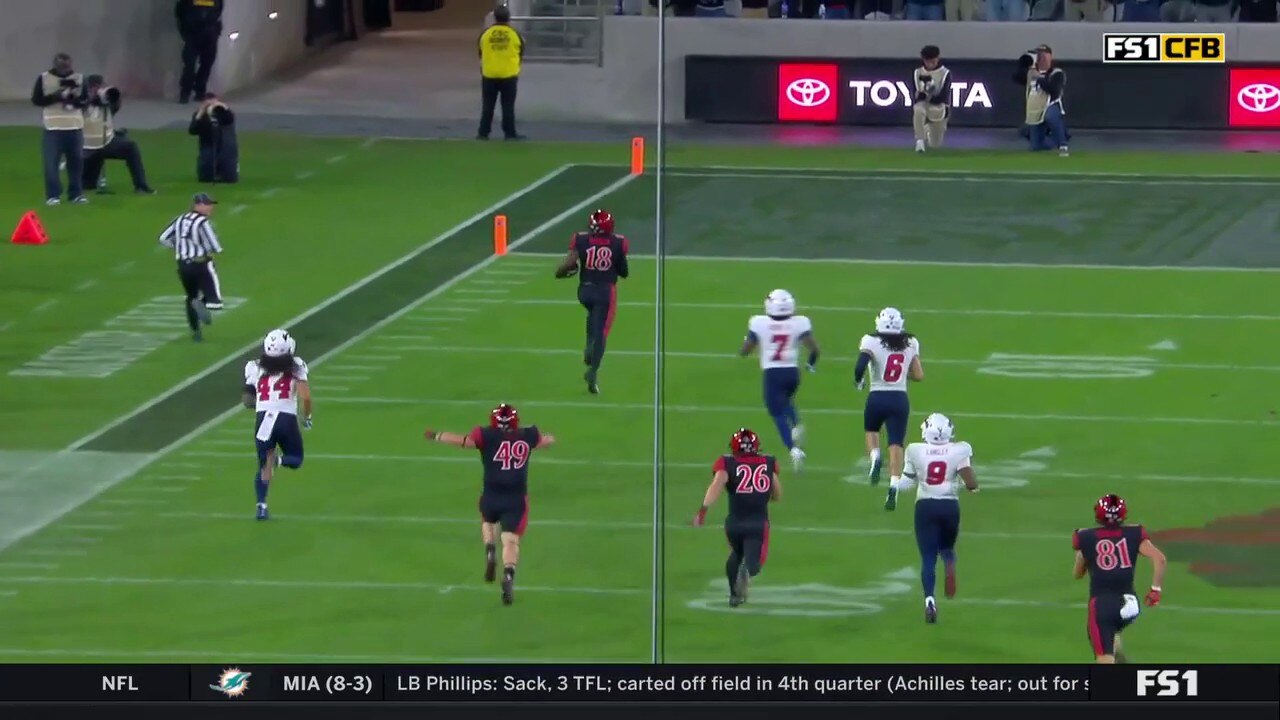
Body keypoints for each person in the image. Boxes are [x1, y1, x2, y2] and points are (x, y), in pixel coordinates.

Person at [424, 404, 557, 605]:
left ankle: (489, 548)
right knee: (511, 541)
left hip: (492, 494)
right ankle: (508, 575)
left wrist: (437, 435)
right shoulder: (528, 435)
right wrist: (546, 439)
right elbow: (546, 441)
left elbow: (463, 441)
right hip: (515, 498)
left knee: (488, 522)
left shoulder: (485, 435)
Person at [885, 414, 979, 624]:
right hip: (949, 506)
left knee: (928, 557)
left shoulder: (915, 450)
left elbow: (907, 483)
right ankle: (949, 562)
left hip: (925, 506)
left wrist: (894, 486)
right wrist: (972, 487)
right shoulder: (960, 449)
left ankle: (929, 600)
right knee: (947, 547)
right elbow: (970, 479)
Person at [693, 428, 782, 608]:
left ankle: (735, 595)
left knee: (736, 553)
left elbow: (717, 485)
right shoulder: (767, 462)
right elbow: (777, 494)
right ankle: (746, 571)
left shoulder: (727, 463)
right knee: (754, 562)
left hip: (734, 523)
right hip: (757, 523)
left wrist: (702, 512)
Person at [1073, 494, 1167, 663]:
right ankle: (1118, 656)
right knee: (1111, 633)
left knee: (1103, 654)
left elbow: (1078, 574)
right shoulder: (1135, 532)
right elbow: (1160, 558)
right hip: (1130, 604)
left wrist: (1084, 557)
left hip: (1103, 604)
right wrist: (1155, 590)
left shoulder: (1085, 536)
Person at [739, 289, 818, 472]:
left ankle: (793, 449)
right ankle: (796, 424)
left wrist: (744, 347)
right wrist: (810, 364)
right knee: (785, 401)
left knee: (776, 413)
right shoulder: (799, 323)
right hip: (792, 373)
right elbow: (814, 349)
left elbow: (746, 349)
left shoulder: (759, 322)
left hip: (773, 373)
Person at [554, 209, 631, 395]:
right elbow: (624, 272)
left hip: (585, 291)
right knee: (602, 332)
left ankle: (589, 344)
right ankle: (593, 370)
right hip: (605, 291)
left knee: (593, 316)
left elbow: (570, 262)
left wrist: (560, 272)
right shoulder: (618, 242)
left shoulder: (580, 239)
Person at [241, 329, 312, 521]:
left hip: (263, 419)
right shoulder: (296, 366)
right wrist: (307, 417)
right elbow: (306, 397)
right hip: (286, 419)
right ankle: (279, 461)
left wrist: (263, 403)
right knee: (296, 459)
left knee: (264, 467)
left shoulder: (254, 367)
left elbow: (247, 400)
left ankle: (261, 506)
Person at [855, 308, 924, 488]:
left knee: (872, 430)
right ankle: (894, 482)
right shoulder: (910, 342)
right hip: (899, 398)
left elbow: (860, 366)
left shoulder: (870, 340)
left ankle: (875, 456)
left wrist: (859, 381)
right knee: (896, 441)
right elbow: (918, 375)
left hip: (877, 396)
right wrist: (903, 372)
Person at [157, 193, 226, 341]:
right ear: (198, 205)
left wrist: (178, 247)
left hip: (183, 265)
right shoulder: (202, 222)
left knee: (191, 296)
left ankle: (196, 331)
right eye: (207, 204)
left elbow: (163, 238)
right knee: (215, 302)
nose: (210, 207)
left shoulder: (180, 219)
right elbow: (215, 246)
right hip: (201, 264)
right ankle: (201, 304)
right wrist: (210, 250)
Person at [81, 75, 155, 195]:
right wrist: (90, 99)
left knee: (130, 147)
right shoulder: (80, 101)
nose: (98, 90)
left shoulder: (105, 102)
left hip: (106, 141)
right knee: (88, 185)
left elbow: (114, 106)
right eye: (95, 87)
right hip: (87, 147)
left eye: (100, 86)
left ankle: (141, 186)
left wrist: (110, 97)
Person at [31, 53, 87, 206]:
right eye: (62, 66)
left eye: (67, 66)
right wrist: (55, 96)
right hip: (53, 128)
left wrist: (73, 99)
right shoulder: (44, 78)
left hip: (74, 126)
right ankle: (53, 195)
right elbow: (36, 100)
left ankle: (76, 194)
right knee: (51, 164)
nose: (65, 70)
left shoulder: (79, 78)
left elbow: (85, 101)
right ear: (55, 65)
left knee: (76, 163)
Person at [477, 5, 525, 141]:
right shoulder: (514, 34)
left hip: (489, 74)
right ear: (508, 18)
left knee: (488, 106)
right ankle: (509, 133)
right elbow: (521, 52)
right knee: (508, 106)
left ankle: (483, 133)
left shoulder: (485, 34)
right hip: (509, 75)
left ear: (495, 18)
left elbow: (480, 52)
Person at [1023, 46, 1069, 157]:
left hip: (1050, 104)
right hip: (1035, 109)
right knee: (1034, 145)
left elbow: (1054, 90)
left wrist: (1039, 78)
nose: (1042, 57)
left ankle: (1062, 144)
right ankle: (1049, 142)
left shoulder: (1056, 73)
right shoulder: (1031, 73)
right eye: (1039, 55)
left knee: (1051, 117)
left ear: (1050, 57)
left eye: (1044, 55)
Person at [175, 0, 224, 104]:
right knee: (190, 64)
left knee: (207, 63)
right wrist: (185, 30)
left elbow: (218, 11)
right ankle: (186, 92)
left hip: (209, 34)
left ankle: (199, 91)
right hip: (193, 34)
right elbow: (179, 12)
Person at [189, 93, 239, 183]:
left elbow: (230, 119)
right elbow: (192, 130)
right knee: (206, 175)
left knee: (228, 175)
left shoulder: (223, 111)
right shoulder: (200, 115)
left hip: (225, 146)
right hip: (208, 144)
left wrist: (224, 107)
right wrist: (200, 113)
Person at [912, 45, 951, 154]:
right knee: (918, 109)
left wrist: (926, 96)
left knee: (935, 145)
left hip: (939, 108)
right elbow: (915, 95)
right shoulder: (917, 73)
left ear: (938, 59)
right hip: (923, 106)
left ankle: (927, 130)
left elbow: (943, 96)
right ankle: (920, 140)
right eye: (928, 62)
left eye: (933, 61)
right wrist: (921, 97)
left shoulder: (945, 73)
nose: (930, 64)